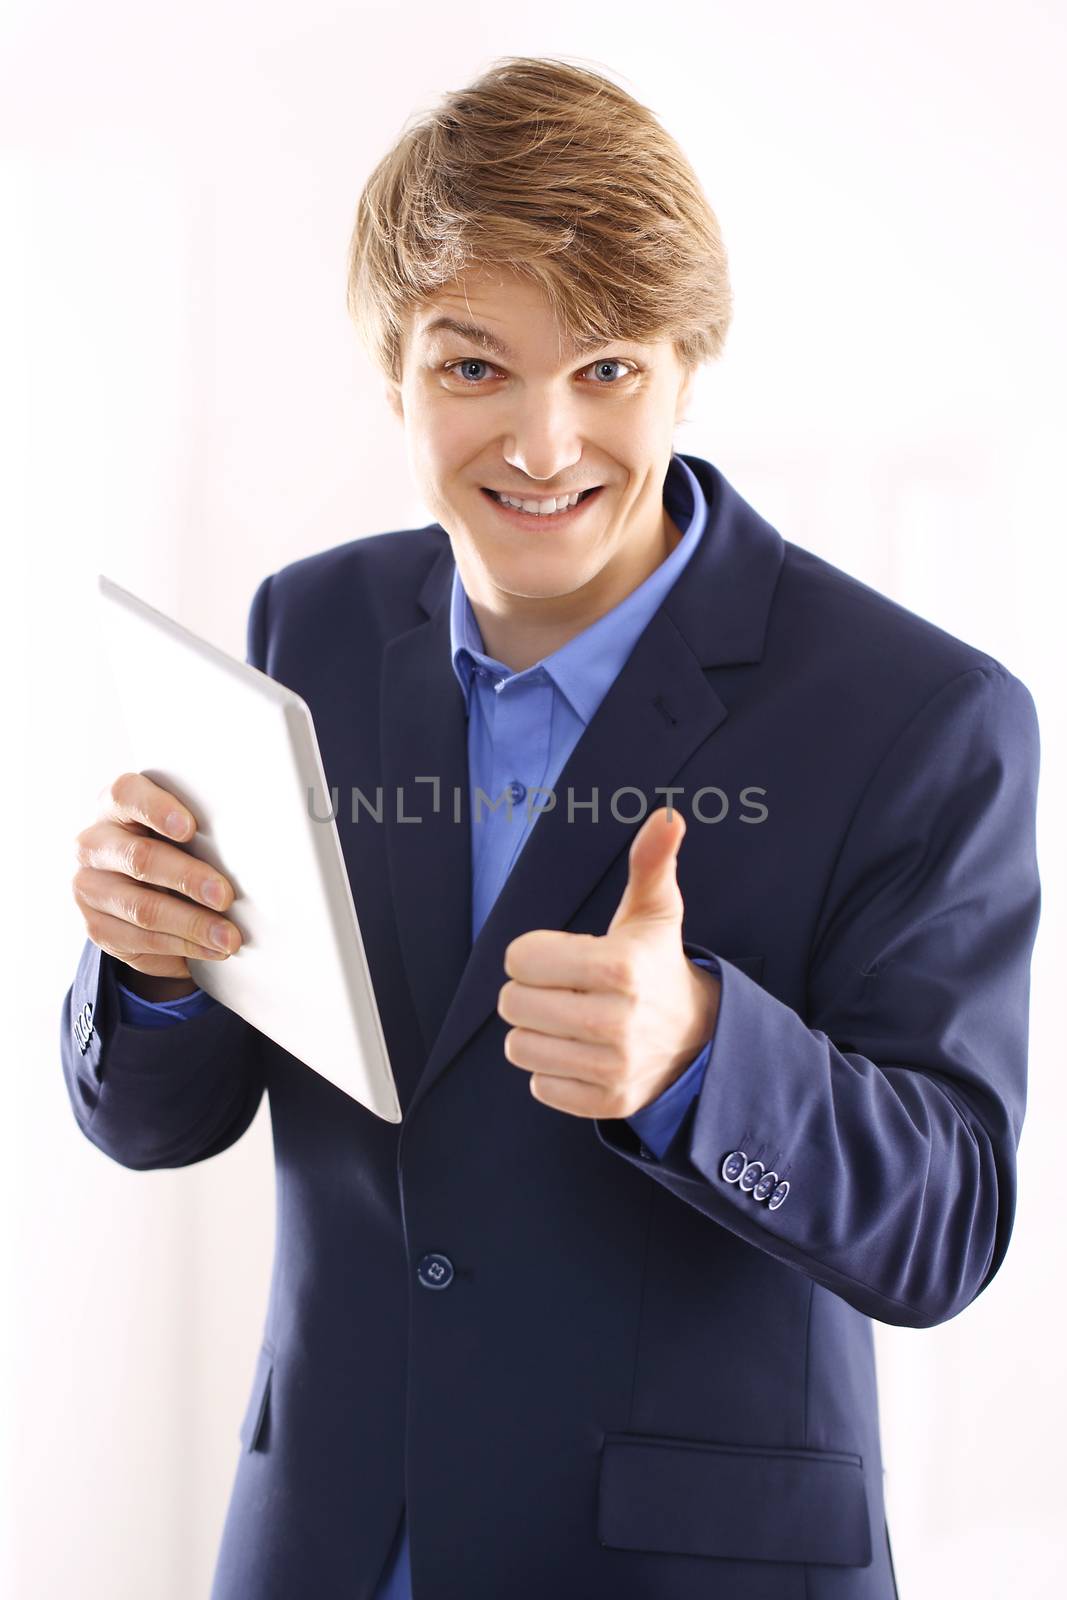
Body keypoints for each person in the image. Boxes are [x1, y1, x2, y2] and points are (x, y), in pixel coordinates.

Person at [63, 55, 1041, 1600]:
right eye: (474, 371)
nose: (539, 443)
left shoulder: (923, 716)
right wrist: (155, 967)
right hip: (327, 1549)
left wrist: (706, 1061)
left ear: (686, 364)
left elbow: (950, 1227)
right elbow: (162, 1119)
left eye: (605, 371)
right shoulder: (306, 624)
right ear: (394, 369)